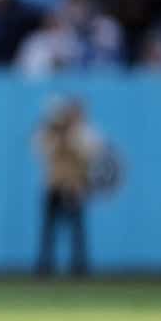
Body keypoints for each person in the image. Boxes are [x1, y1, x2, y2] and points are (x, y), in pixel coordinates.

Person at [34, 97, 104, 275]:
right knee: (49, 230)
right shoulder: (50, 133)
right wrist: (58, 134)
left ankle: (79, 266)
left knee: (76, 230)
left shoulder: (84, 133)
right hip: (54, 186)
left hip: (74, 187)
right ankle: (45, 266)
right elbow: (40, 149)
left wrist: (72, 136)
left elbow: (93, 152)